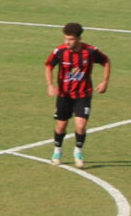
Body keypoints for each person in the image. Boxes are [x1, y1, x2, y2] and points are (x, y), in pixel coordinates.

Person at [46, 22, 112, 167]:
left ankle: (78, 150)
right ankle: (57, 149)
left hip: (83, 94)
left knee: (80, 125)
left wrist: (105, 81)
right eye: (65, 39)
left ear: (78, 39)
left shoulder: (90, 52)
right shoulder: (60, 51)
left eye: (70, 39)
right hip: (64, 95)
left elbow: (106, 61)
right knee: (61, 126)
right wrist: (50, 85)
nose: (67, 42)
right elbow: (49, 65)